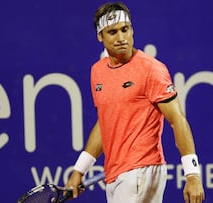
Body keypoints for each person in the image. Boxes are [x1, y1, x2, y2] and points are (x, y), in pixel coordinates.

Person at [66, 2, 205, 203]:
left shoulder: (151, 69)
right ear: (100, 36)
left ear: (132, 30)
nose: (121, 38)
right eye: (113, 32)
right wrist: (80, 168)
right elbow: (106, 122)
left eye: (125, 29)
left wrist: (192, 174)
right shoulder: (97, 72)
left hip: (142, 171)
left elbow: (177, 119)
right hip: (115, 174)